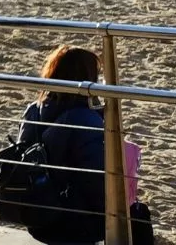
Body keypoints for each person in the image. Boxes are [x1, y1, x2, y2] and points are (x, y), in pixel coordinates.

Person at [10, 46, 108, 244]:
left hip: (37, 215)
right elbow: (97, 184)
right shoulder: (87, 120)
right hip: (72, 223)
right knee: (135, 216)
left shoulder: (33, 111)